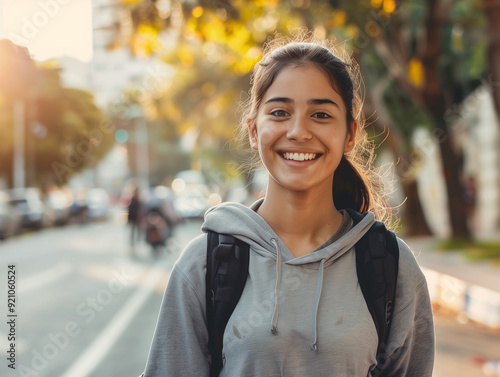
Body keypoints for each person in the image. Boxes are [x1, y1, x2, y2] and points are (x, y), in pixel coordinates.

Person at [141, 34, 435, 376]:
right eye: (280, 112)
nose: (298, 131)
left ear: (350, 134)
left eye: (321, 114)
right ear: (253, 130)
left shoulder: (391, 266)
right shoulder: (203, 265)